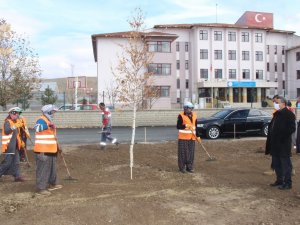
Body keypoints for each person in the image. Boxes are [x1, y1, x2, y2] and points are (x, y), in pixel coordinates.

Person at [265, 96, 296, 190]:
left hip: (283, 144)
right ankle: (279, 180)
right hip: (274, 144)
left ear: (283, 103)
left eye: (277, 102)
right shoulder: (277, 114)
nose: (275, 104)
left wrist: (281, 137)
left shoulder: (289, 114)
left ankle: (287, 183)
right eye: (275, 102)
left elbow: (292, 128)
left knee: (285, 165)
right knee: (276, 163)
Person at [34, 104, 62, 196]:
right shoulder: (42, 119)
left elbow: (52, 136)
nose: (54, 114)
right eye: (53, 112)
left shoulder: (48, 120)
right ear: (48, 112)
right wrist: (47, 124)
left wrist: (58, 147)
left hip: (51, 150)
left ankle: (52, 183)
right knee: (43, 169)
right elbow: (37, 128)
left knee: (52, 168)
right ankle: (41, 188)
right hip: (43, 150)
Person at [0, 107, 25, 182]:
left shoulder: (15, 122)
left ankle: (17, 176)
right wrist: (15, 126)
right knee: (7, 163)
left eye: (18, 114)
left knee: (16, 162)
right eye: (16, 114)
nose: (17, 115)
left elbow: (16, 135)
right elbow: (7, 131)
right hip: (9, 146)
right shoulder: (7, 122)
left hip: (15, 146)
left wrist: (21, 142)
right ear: (11, 114)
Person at [176, 102, 201, 173]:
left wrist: (198, 136)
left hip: (192, 138)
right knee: (183, 153)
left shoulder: (194, 115)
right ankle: (182, 168)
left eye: (190, 108)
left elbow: (196, 127)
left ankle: (189, 167)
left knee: (191, 153)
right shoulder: (181, 115)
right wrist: (185, 126)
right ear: (185, 108)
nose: (189, 110)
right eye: (188, 108)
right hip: (183, 138)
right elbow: (178, 126)